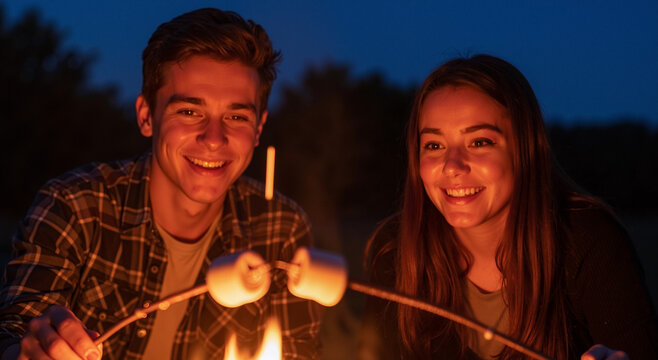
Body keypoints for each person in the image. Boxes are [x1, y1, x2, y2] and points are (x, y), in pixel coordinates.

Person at [0, 8, 322, 360]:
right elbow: (18, 328)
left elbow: (297, 351)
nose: (214, 139)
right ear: (146, 116)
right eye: (189, 112)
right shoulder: (74, 206)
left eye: (235, 116)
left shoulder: (281, 229)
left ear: (258, 129)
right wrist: (28, 351)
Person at [359, 55, 658, 359]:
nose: (452, 166)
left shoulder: (588, 246)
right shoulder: (397, 251)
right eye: (434, 146)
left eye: (480, 142)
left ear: (525, 149)